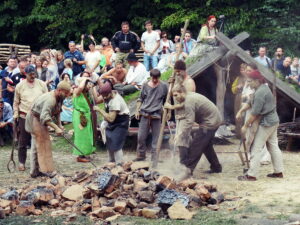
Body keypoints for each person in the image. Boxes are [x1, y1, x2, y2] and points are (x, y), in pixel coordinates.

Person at [164, 84, 223, 180]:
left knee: (196, 146)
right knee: (206, 146)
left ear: (182, 93)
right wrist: (172, 107)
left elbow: (189, 122)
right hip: (214, 119)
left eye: (176, 95)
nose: (174, 98)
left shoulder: (189, 102)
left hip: (210, 122)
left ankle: (187, 170)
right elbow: (181, 104)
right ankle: (216, 167)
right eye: (173, 96)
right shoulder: (187, 96)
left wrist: (180, 134)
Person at [238, 70, 284, 181]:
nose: (248, 83)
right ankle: (278, 172)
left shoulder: (260, 92)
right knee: (273, 147)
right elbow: (250, 102)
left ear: (257, 81)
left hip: (267, 123)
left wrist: (245, 126)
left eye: (250, 81)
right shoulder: (260, 88)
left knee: (256, 148)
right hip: (273, 121)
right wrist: (240, 111)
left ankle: (252, 175)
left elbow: (255, 113)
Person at [25, 81, 71, 178]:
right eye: (66, 93)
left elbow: (58, 111)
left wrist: (59, 125)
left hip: (40, 118)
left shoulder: (60, 97)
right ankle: (35, 171)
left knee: (42, 144)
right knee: (38, 144)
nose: (67, 95)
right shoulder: (50, 100)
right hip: (35, 118)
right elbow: (44, 117)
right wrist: (56, 128)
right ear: (59, 90)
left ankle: (36, 170)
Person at [13, 65, 48, 171]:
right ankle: (21, 162)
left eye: (34, 73)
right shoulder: (20, 86)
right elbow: (16, 102)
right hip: (24, 116)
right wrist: (15, 114)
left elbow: (47, 99)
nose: (33, 76)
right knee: (23, 140)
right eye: (30, 74)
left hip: (38, 116)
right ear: (25, 74)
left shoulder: (41, 84)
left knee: (40, 140)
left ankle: (40, 163)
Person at [134, 69, 168, 161]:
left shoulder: (164, 86)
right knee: (141, 137)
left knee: (156, 139)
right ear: (151, 77)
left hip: (156, 114)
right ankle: (141, 155)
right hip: (145, 113)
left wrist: (168, 112)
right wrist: (137, 110)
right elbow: (140, 98)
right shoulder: (145, 85)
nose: (155, 80)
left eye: (156, 78)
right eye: (153, 78)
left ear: (159, 77)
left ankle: (154, 157)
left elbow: (166, 101)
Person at [94, 81, 130, 164]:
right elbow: (97, 99)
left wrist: (100, 110)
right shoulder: (108, 95)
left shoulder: (115, 101)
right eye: (103, 96)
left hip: (121, 122)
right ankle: (111, 162)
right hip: (113, 122)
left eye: (105, 96)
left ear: (110, 93)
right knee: (109, 140)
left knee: (116, 143)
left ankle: (119, 164)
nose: (104, 98)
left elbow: (111, 119)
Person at [72, 75, 100, 162]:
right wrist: (85, 79)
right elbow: (80, 87)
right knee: (81, 135)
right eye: (87, 84)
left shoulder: (88, 92)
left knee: (87, 135)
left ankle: (85, 153)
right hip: (79, 116)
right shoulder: (77, 91)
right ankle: (80, 156)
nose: (88, 86)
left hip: (87, 115)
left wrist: (93, 87)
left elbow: (97, 99)